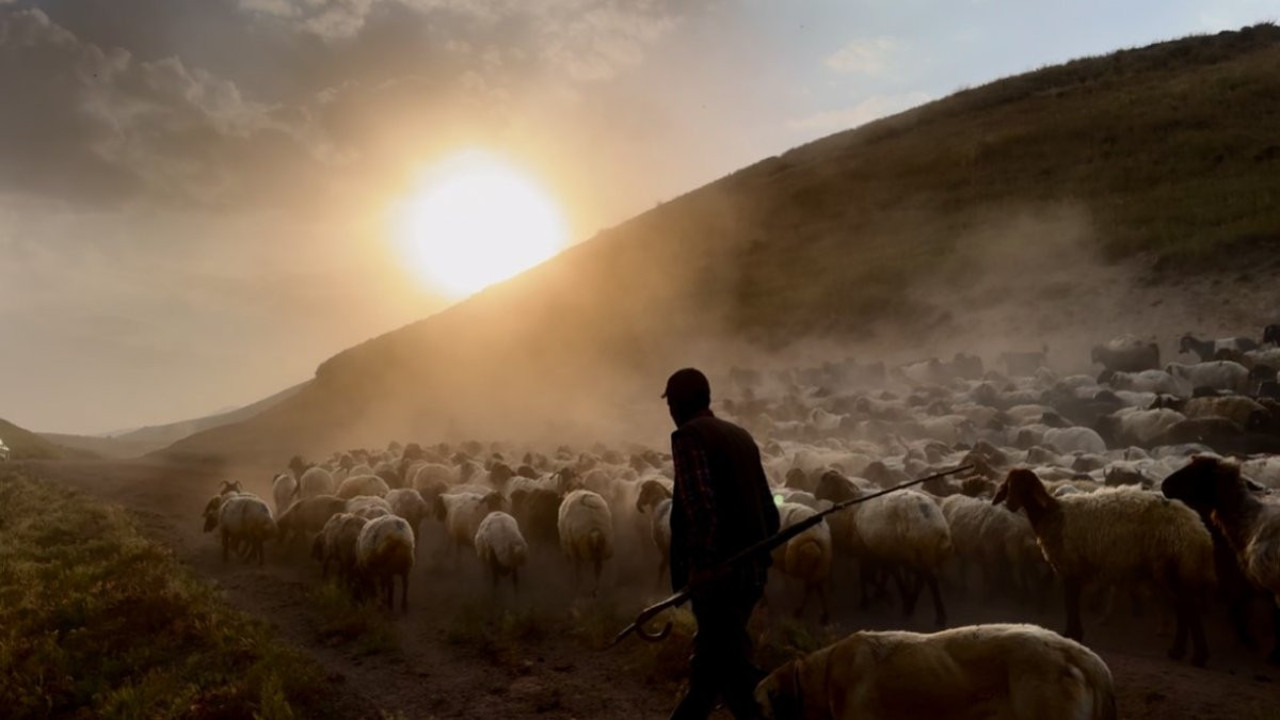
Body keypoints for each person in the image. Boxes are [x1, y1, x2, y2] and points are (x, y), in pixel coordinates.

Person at [663, 367, 780, 720]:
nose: (669, 411)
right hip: (751, 575)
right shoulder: (741, 436)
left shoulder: (690, 438)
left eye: (670, 403)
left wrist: (702, 566)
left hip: (719, 581)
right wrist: (757, 555)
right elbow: (769, 511)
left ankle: (785, 701)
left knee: (725, 671)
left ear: (678, 403)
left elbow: (703, 511)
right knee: (718, 667)